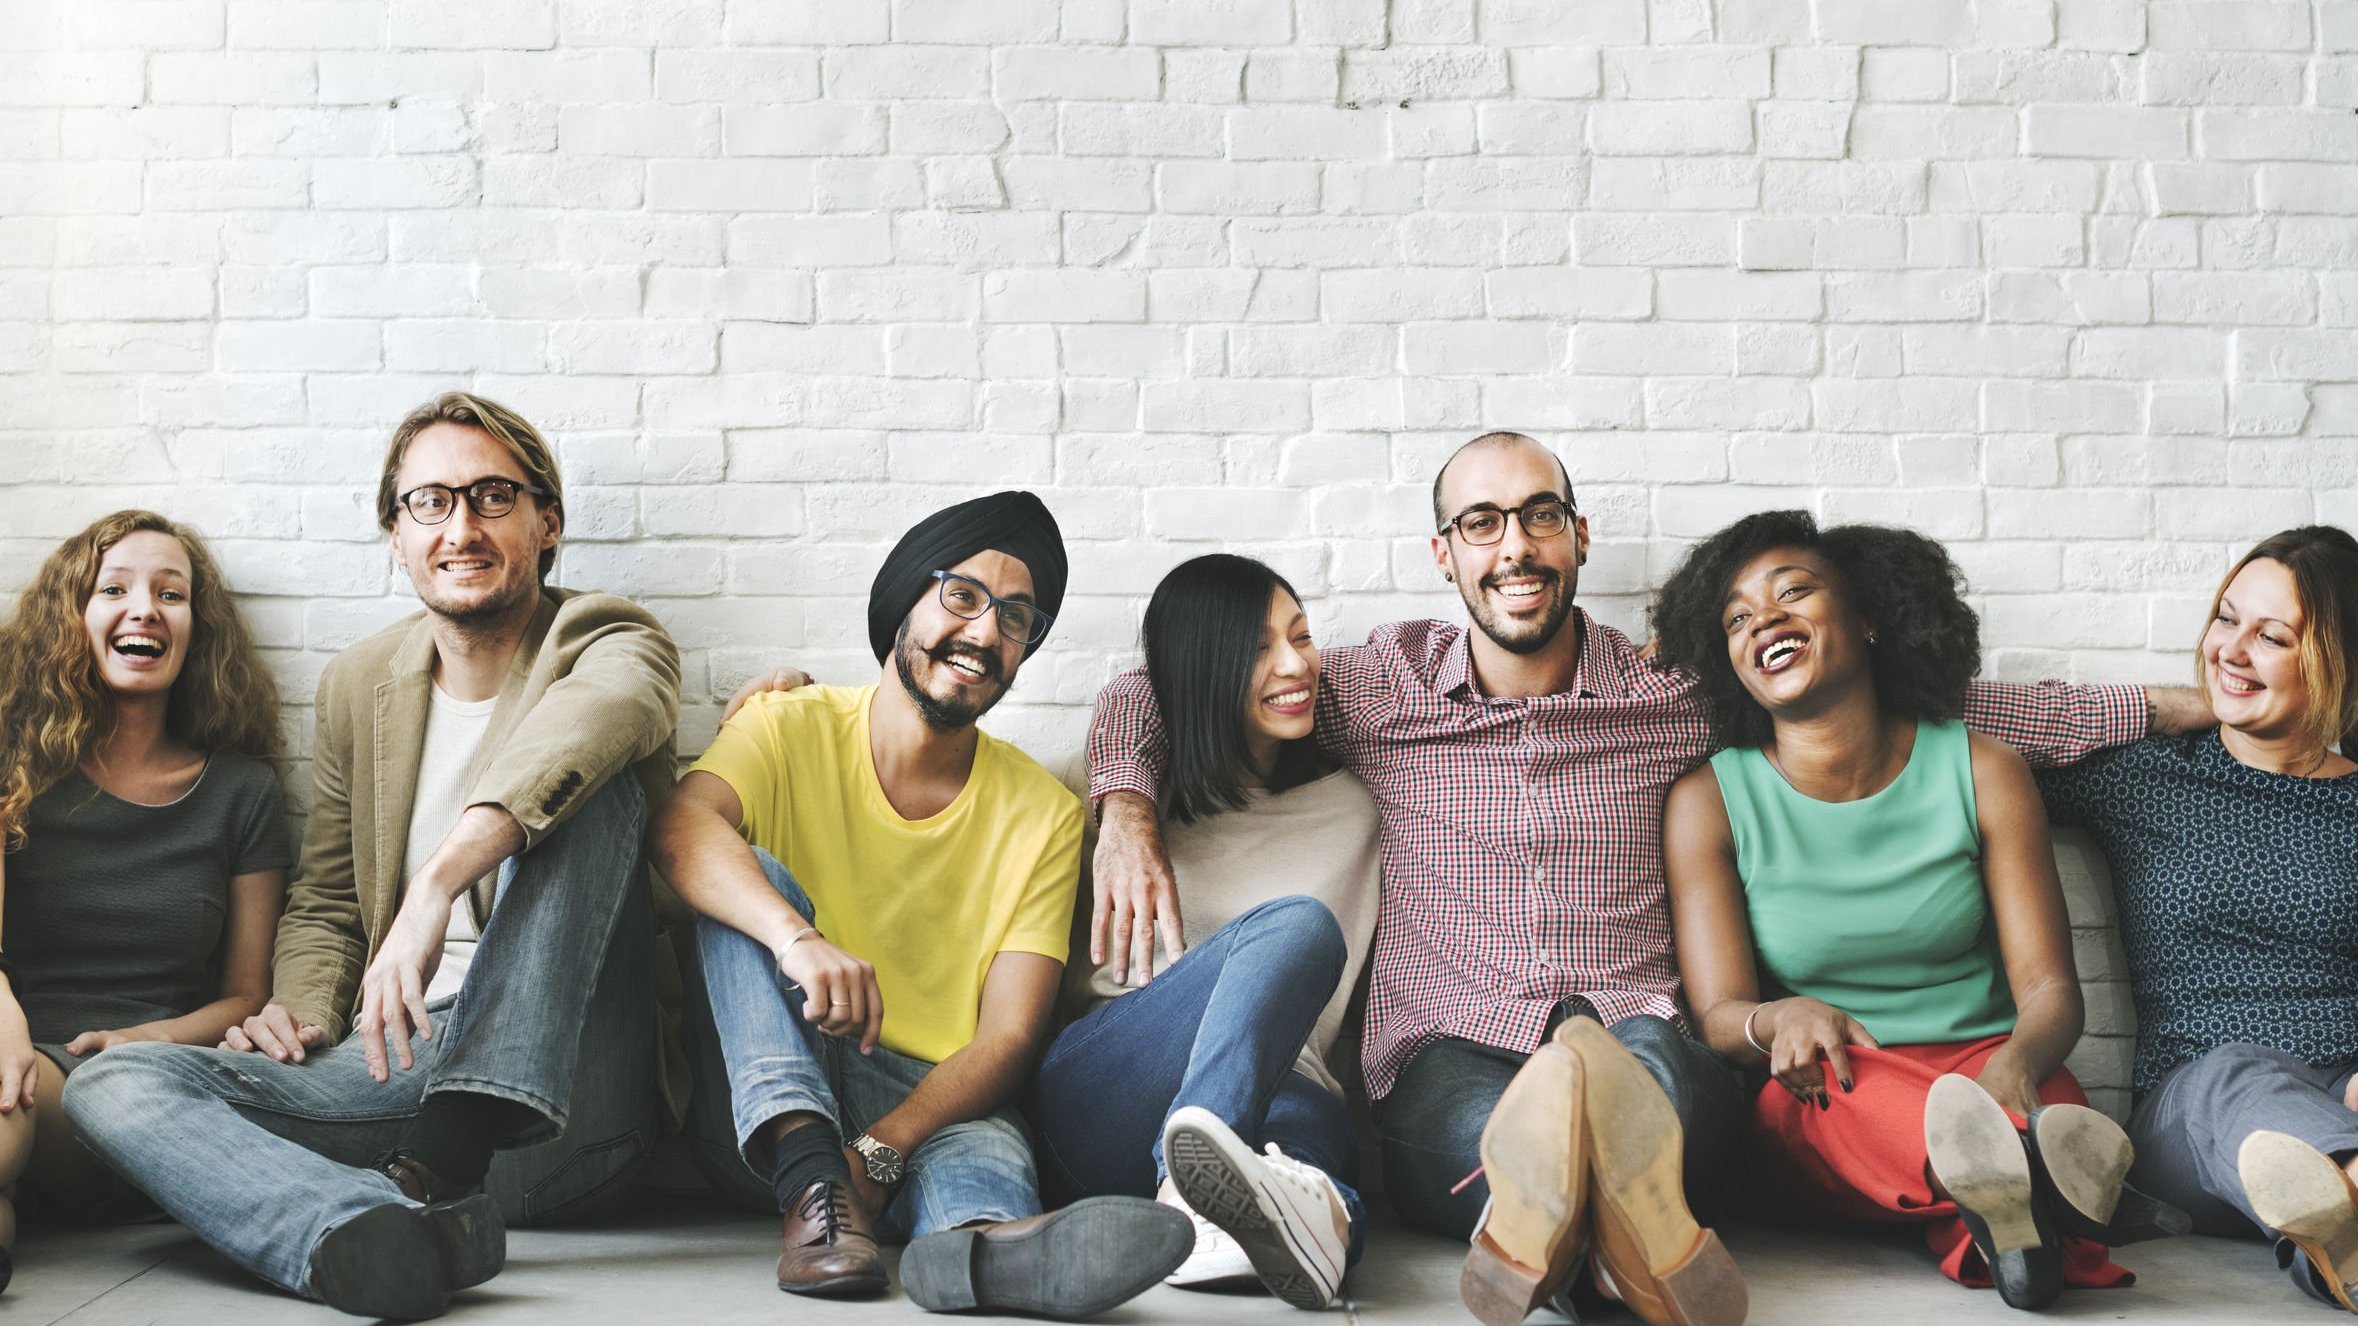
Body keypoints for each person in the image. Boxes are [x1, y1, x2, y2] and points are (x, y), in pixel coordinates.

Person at [1085, 433, 2207, 1326]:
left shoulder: (1667, 691)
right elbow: (1158, 686)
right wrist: (1124, 808)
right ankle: (1626, 1257)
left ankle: (1557, 1257)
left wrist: (2167, 710)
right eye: (1481, 522)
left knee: (1646, 1084)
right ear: (1445, 554)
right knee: (1504, 1134)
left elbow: (1933, 710)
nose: (1512, 545)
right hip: (1451, 1047)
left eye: (1537, 517)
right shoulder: (1379, 689)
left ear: (1577, 538)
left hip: (1640, 1034)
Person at [65, 393, 685, 1321]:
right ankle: (365, 1229)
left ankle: (440, 1159)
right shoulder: (361, 683)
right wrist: (302, 1012)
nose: (461, 527)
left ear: (547, 523)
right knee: (110, 1081)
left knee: (596, 802)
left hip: (569, 1093)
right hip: (399, 1069)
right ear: (397, 535)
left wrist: (438, 883)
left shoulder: (607, 638)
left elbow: (602, 724)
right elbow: (321, 901)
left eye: (492, 497)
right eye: (429, 502)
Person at [655, 490, 1189, 1319]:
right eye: (963, 596)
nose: (985, 633)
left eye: (1017, 618)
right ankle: (812, 1187)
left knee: (979, 1160)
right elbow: (681, 828)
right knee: (745, 875)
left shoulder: (1043, 812)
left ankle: (980, 1255)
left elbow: (1009, 1036)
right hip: (770, 1100)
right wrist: (797, 940)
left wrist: (879, 1149)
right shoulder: (785, 725)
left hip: (932, 1107)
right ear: (905, 598)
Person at [1654, 510, 2185, 1311]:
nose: (1764, 618)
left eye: (1793, 591)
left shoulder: (1983, 768)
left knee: (2039, 1115)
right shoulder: (1709, 800)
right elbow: (1718, 1013)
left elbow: (2049, 993)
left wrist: (2016, 1064)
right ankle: (2057, 1198)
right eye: (1737, 617)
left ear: (1869, 617)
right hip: (1834, 1082)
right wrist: (1778, 1019)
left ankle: (2007, 1226)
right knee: (1906, 1117)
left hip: (1993, 1067)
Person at [1028, 553, 1379, 1311]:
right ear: (1200, 664)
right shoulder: (1102, 791)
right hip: (1108, 1091)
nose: (1295, 664)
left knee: (1309, 1136)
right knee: (1296, 928)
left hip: (1284, 1095)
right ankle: (1192, 1186)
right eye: (1257, 647)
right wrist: (786, 699)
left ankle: (1313, 1221)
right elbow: (965, 785)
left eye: (1302, 636)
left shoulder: (1359, 808)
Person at [2032, 525, 2358, 1313]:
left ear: (2338, 663)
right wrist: (2154, 706)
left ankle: (2340, 1231)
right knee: (2236, 1073)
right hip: (2193, 1112)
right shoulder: (2144, 777)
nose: (2231, 650)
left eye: (2271, 636)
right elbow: (1948, 723)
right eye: (2225, 619)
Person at [0, 511, 287, 1291]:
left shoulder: (241, 792)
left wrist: (145, 1038)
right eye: (114, 588)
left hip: (127, 1091)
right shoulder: (14, 769)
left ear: (198, 628)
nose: (145, 610)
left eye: (172, 593)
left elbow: (246, 996)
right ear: (74, 618)